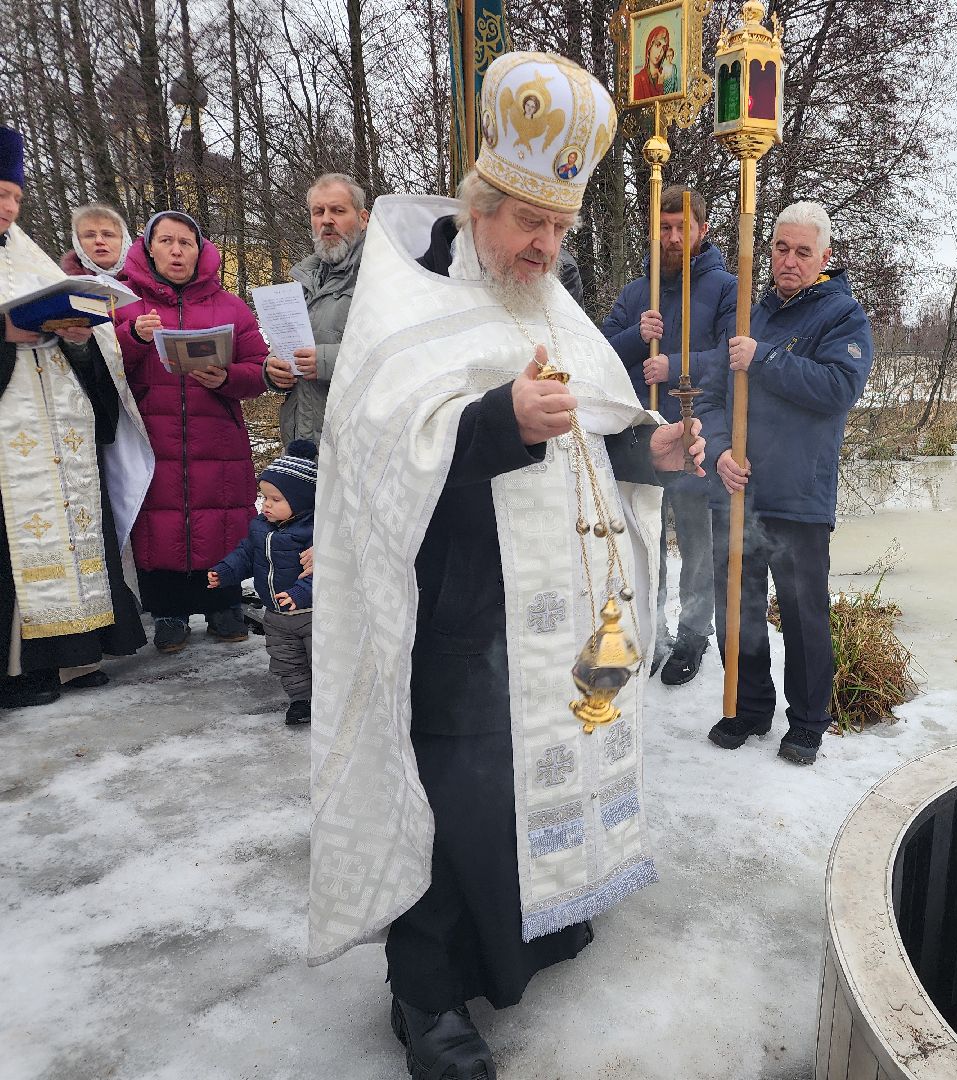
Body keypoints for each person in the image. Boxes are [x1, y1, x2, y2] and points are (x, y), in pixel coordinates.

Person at [308, 53, 704, 1080]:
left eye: (560, 227)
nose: (544, 245)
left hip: (559, 616)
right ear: (480, 203)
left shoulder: (552, 311)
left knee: (532, 782)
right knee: (459, 796)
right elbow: (384, 462)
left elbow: (592, 429)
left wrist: (644, 448)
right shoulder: (409, 305)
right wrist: (496, 420)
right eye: (528, 219)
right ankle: (425, 997)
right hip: (461, 615)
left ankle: (531, 934)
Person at [696, 201, 873, 766]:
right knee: (738, 608)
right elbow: (715, 396)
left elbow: (837, 388)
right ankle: (748, 709)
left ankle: (807, 722)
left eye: (802, 252)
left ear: (824, 257)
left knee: (802, 614)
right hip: (740, 492)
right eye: (780, 248)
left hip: (799, 496)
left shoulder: (842, 317)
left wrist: (765, 359)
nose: (789, 261)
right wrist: (720, 451)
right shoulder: (750, 314)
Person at [0, 126, 153, 707]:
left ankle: (74, 656)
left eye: (14, 195)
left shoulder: (28, 255)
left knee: (75, 536)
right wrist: (6, 333)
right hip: (10, 443)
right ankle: (19, 671)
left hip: (60, 436)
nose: (9, 208)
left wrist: (78, 336)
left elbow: (82, 337)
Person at [114, 211, 269, 654]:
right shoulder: (126, 303)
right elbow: (103, 369)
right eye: (166, 241)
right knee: (159, 520)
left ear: (201, 251)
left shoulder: (230, 306)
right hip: (152, 434)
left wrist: (227, 378)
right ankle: (169, 613)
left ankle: (224, 606)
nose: (177, 251)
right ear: (149, 249)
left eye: (186, 242)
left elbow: (258, 370)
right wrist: (134, 338)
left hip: (217, 436)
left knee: (220, 519)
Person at [601, 184, 736, 685]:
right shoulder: (639, 293)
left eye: (682, 227)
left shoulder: (725, 288)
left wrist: (674, 365)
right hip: (644, 439)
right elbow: (601, 355)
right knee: (645, 537)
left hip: (699, 435)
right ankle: (650, 631)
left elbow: (731, 360)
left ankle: (692, 636)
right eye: (664, 227)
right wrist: (637, 336)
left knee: (697, 543)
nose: (673, 237)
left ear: (702, 229)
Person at [209, 440, 317, 725]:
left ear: (302, 500)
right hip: (276, 615)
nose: (266, 504)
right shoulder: (261, 528)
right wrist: (225, 571)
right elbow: (247, 554)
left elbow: (324, 575)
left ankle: (327, 699)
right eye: (264, 497)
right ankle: (301, 701)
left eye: (276, 499)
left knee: (318, 660)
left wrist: (301, 593)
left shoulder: (315, 534)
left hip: (310, 614)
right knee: (287, 662)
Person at [263, 174, 368, 445]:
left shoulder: (377, 275)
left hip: (353, 442)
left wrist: (324, 360)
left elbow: (396, 355)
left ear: (363, 218)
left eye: (338, 210)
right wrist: (273, 370)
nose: (326, 220)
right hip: (302, 437)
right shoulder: (304, 278)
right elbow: (286, 348)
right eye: (318, 212)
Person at [60, 203, 132, 281]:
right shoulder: (62, 282)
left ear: (124, 240)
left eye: (108, 235)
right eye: (89, 235)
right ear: (78, 243)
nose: (99, 241)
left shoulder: (145, 275)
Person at [633, 25, 672, 100]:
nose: (659, 52)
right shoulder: (638, 80)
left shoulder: (666, 76)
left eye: (663, 48)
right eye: (657, 45)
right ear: (649, 47)